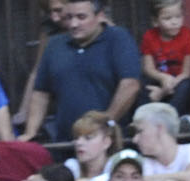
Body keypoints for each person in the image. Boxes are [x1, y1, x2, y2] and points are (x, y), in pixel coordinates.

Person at [21, 0, 141, 143]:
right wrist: (30, 132)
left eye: (81, 17)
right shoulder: (54, 45)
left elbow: (130, 85)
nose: (74, 24)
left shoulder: (118, 39)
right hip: (65, 142)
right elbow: (41, 92)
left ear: (100, 16)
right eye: (69, 17)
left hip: (108, 141)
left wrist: (106, 122)